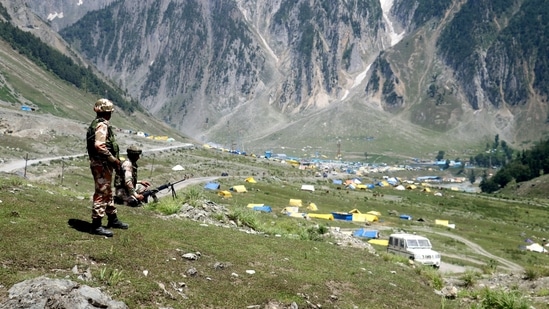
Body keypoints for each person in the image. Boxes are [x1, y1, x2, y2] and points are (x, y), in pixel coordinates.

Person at [86, 98, 128, 237]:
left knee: (107, 191)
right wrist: (112, 159)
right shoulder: (102, 125)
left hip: (101, 164)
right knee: (101, 193)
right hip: (102, 164)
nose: (110, 114)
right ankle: (96, 224)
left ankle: (112, 218)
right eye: (109, 112)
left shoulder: (96, 123)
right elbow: (99, 145)